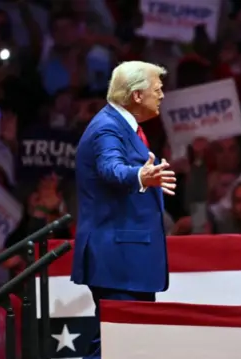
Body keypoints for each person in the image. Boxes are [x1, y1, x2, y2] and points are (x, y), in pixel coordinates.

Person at [71, 61, 176, 359]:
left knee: (123, 343)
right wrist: (140, 176)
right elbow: (110, 168)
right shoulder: (107, 128)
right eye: (158, 89)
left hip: (127, 259)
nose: (163, 95)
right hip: (118, 260)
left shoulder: (124, 127)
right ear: (137, 95)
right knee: (114, 343)